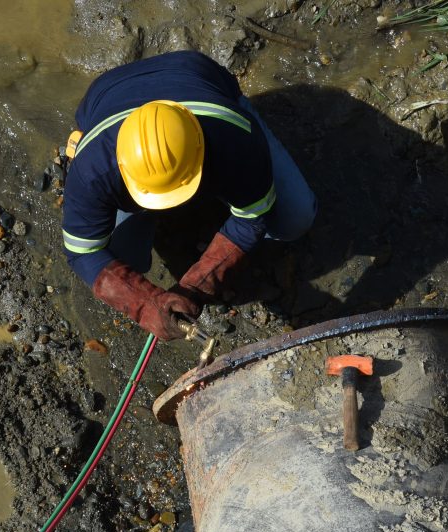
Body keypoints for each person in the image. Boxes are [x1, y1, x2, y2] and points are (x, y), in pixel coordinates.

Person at [62, 50, 316, 341]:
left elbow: (253, 219)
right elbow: (83, 252)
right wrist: (145, 303)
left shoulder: (235, 137)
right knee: (121, 255)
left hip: (195, 74)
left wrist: (197, 284)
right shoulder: (91, 170)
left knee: (294, 219)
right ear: (122, 166)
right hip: (106, 93)